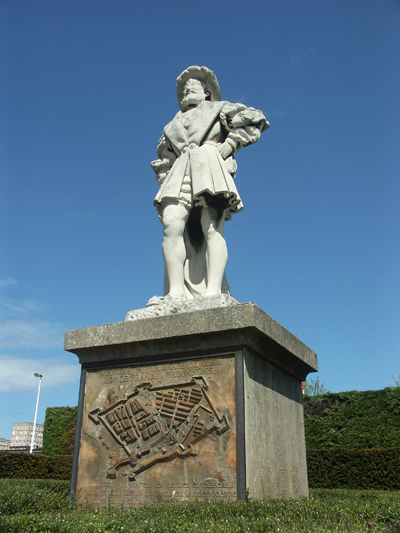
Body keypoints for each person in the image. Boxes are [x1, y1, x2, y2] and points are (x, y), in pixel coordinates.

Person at [148, 66, 268, 306]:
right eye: (183, 87)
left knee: (211, 226)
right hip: (181, 170)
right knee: (172, 225)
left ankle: (213, 291)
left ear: (206, 92)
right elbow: (165, 160)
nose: (186, 89)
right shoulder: (171, 126)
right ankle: (175, 294)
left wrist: (229, 145)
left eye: (192, 85)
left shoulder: (219, 109)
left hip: (209, 164)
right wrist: (166, 174)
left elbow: (255, 119)